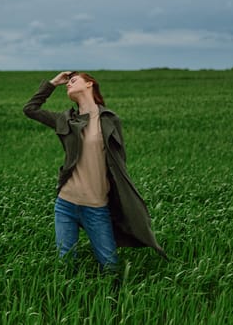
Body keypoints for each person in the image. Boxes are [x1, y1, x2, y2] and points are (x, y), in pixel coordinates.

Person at [23, 71, 167, 272]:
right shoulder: (65, 120)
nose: (68, 85)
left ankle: (113, 301)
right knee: (66, 265)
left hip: (96, 207)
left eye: (73, 81)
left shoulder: (109, 119)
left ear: (89, 84)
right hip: (66, 204)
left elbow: (119, 162)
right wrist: (53, 83)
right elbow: (30, 109)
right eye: (67, 83)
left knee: (110, 266)